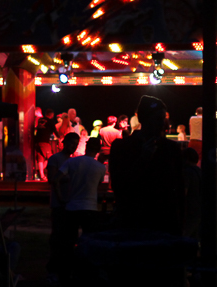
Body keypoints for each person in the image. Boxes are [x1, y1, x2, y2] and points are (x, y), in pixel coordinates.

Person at [109, 95, 184, 234]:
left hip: (137, 221)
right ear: (145, 119)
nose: (163, 123)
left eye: (163, 119)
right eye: (158, 118)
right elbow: (120, 185)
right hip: (148, 222)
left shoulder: (121, 146)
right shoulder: (170, 148)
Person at [57, 134, 106, 240]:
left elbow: (56, 178)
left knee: (69, 239)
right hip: (90, 207)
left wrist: (60, 198)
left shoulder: (72, 161)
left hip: (72, 207)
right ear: (98, 150)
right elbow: (98, 185)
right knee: (89, 239)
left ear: (86, 146)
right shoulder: (101, 167)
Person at [46, 132, 80, 282]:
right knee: (58, 236)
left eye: (76, 144)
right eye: (71, 143)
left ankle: (64, 267)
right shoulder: (55, 159)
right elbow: (52, 179)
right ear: (64, 143)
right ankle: (53, 269)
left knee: (69, 237)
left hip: (70, 203)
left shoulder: (73, 160)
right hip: (59, 203)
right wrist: (68, 179)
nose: (73, 146)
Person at [181, 148, 201, 238]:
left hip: (190, 211)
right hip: (200, 210)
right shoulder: (200, 172)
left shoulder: (186, 173)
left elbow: (184, 193)